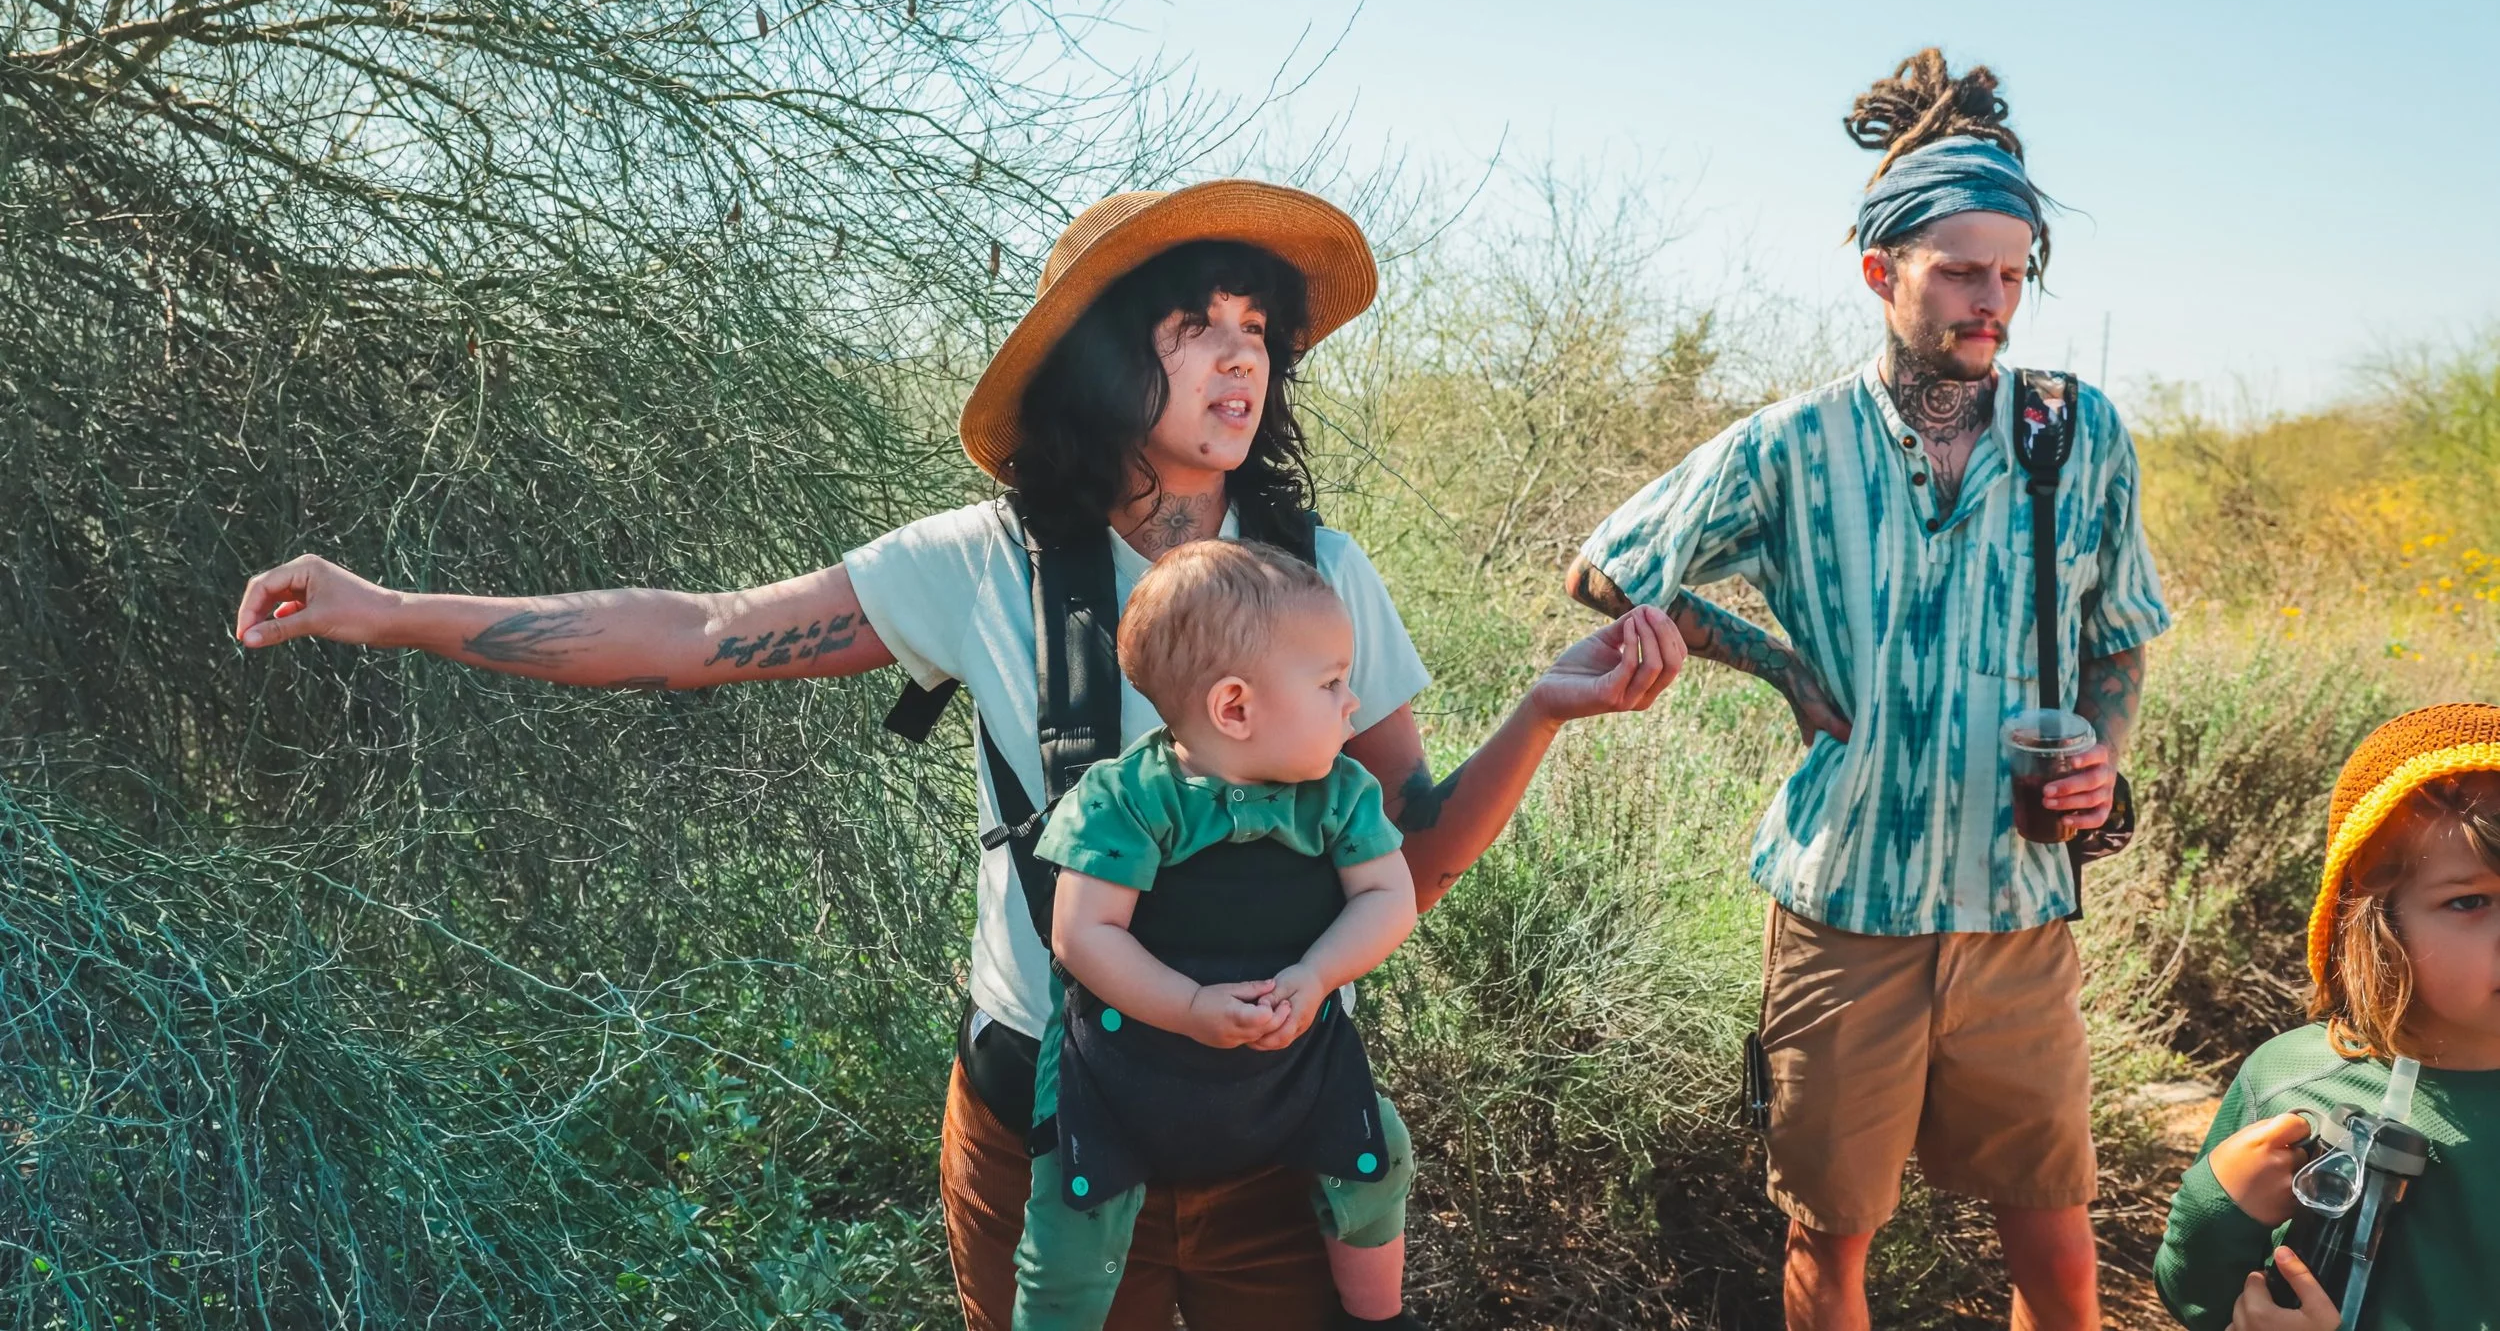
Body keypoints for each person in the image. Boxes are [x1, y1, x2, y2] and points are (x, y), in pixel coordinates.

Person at [233, 179, 1684, 1330]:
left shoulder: (1321, 571)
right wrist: (395, 611)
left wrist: (1543, 713)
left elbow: (1412, 844)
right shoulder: (978, 565)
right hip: (1046, 1111)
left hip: (1274, 1122)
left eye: (1259, 328)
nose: (1242, 352)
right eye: (1196, 325)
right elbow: (695, 630)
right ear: (1107, 356)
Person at [1565, 50, 2172, 1331]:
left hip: (2018, 910)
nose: (1990, 300)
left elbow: (2121, 635)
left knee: (2057, 1249)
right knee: (1830, 1239)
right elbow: (1609, 570)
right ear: (1879, 271)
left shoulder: (2080, 431)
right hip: (1845, 908)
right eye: (1959, 269)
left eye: (2012, 274)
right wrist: (1779, 665)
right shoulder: (1789, 446)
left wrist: (2100, 757)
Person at [1021, 540, 1422, 1330]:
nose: (1355, 700)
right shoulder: (1127, 798)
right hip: (1122, 1068)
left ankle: (1377, 1320)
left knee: (1378, 1158)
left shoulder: (1340, 794)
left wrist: (1316, 975)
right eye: (1332, 682)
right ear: (1234, 708)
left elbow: (1388, 897)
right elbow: (1083, 934)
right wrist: (1189, 1005)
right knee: (1073, 1209)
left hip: (1291, 1057)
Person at [2154, 703, 2500, 1331]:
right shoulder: (2295, 1080)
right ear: (2373, 923)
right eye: (2470, 900)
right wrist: (2217, 1205)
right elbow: (2198, 1300)